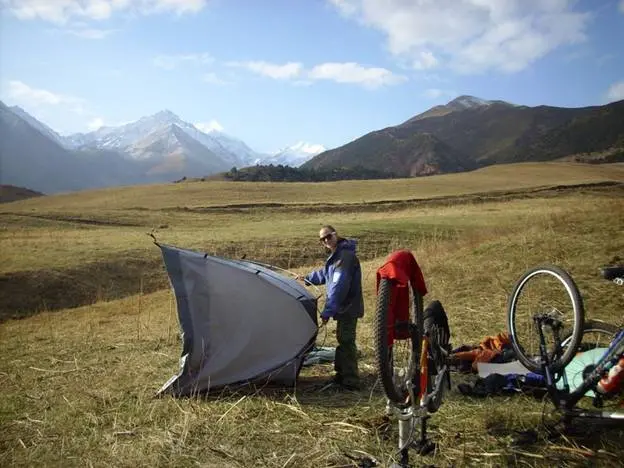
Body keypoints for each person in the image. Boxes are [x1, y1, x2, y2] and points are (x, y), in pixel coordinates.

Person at [301, 225, 364, 390]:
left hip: (348, 307)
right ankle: (341, 374)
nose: (326, 241)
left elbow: (339, 286)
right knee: (343, 339)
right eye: (322, 239)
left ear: (336, 234)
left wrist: (328, 310)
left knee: (347, 340)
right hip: (343, 307)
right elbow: (325, 274)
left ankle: (351, 381)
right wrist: (307, 278)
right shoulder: (337, 256)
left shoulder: (344, 257)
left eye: (328, 236)